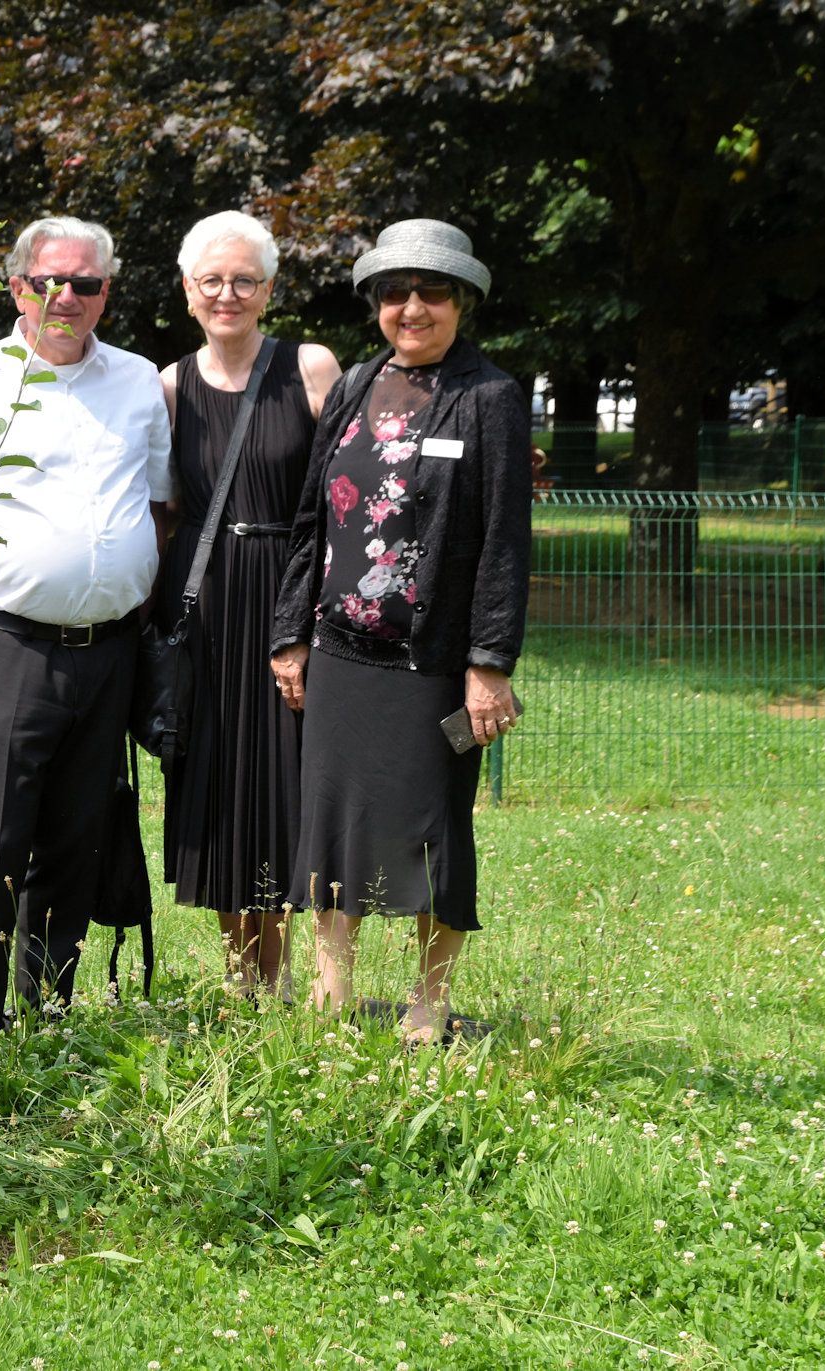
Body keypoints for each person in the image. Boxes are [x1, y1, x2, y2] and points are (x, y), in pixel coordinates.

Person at [268, 218, 532, 1044]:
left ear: (463, 302)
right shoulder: (352, 386)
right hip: (341, 652)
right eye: (395, 292)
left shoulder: (490, 397)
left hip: (433, 661)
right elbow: (312, 515)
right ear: (376, 302)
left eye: (433, 292)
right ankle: (330, 991)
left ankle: (429, 1002)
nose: (412, 307)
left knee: (436, 831)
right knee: (331, 821)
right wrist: (290, 632)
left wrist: (489, 662)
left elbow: (502, 541)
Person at [0, 216, 172, 1060]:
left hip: (108, 650)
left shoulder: (139, 381)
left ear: (108, 291)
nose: (65, 297)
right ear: (17, 286)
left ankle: (46, 1021)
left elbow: (155, 499)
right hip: (7, 647)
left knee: (77, 840)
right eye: (49, 281)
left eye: (86, 283)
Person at [156, 211, 340, 1000]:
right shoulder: (169, 385)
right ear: (188, 292)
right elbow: (162, 512)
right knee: (216, 787)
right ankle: (242, 973)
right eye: (211, 280)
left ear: (268, 289)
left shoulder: (311, 368)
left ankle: (287, 969)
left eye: (243, 279)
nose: (227, 293)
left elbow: (339, 500)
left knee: (286, 784)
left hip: (286, 596)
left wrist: (310, 617)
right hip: (203, 605)